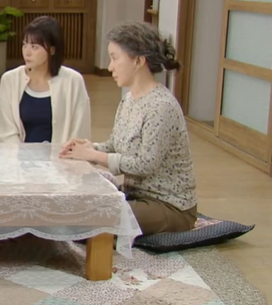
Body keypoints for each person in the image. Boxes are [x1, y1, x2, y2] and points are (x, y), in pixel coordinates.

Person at [59, 21, 197, 235]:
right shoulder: (129, 99)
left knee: (94, 215)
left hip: (169, 205)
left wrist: (94, 156)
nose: (110, 66)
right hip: (136, 196)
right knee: (75, 202)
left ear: (138, 61)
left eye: (115, 58)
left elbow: (145, 164)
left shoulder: (161, 106)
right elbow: (116, 144)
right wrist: (89, 148)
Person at [0, 16, 91, 144]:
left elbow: (79, 131)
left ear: (52, 50)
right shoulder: (10, 80)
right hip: (19, 155)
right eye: (25, 45)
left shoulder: (73, 81)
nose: (27, 52)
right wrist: (21, 154)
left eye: (34, 47)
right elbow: (4, 131)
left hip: (62, 155)